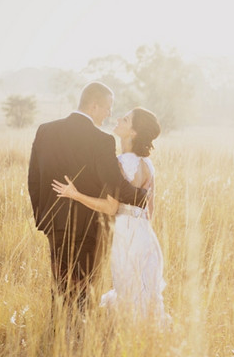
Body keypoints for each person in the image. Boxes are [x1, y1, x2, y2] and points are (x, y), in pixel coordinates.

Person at [27, 82, 147, 311]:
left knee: (60, 286)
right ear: (94, 106)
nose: (110, 113)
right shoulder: (101, 140)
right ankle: (79, 339)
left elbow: (33, 178)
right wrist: (143, 196)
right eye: (108, 107)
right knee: (84, 288)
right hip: (88, 226)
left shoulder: (45, 130)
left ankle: (58, 334)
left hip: (54, 223)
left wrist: (43, 217)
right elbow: (115, 185)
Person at [52, 107, 171, 325]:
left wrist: (75, 195)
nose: (119, 119)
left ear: (133, 133)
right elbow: (150, 210)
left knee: (128, 294)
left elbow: (111, 207)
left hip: (125, 237)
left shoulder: (121, 163)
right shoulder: (149, 165)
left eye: (125, 119)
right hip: (146, 238)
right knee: (145, 297)